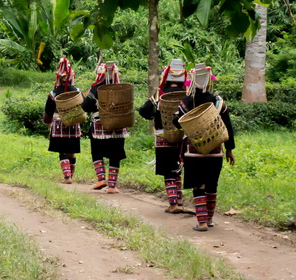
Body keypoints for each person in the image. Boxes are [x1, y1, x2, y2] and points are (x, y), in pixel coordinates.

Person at [173, 65, 236, 232]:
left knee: (198, 185)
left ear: (193, 82)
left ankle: (201, 222)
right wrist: (229, 150)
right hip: (215, 151)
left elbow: (176, 121)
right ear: (209, 81)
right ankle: (209, 220)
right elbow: (228, 128)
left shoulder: (187, 102)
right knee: (212, 185)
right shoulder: (219, 102)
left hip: (193, 152)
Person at [138, 58, 187, 213]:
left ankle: (173, 204)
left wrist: (154, 116)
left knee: (168, 171)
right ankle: (178, 200)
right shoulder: (187, 95)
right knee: (178, 169)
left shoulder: (160, 95)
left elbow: (144, 111)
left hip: (164, 138)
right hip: (183, 138)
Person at [80, 61, 129, 193]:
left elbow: (85, 106)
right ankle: (112, 186)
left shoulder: (96, 89)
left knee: (97, 151)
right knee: (116, 153)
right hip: (118, 125)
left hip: (99, 126)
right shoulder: (122, 89)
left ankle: (101, 179)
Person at [42, 58, 84, 184]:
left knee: (63, 151)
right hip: (73, 123)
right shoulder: (77, 92)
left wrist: (47, 121)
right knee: (71, 151)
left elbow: (48, 110)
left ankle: (67, 177)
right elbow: (84, 106)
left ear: (59, 78)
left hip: (59, 124)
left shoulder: (53, 93)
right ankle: (71, 175)